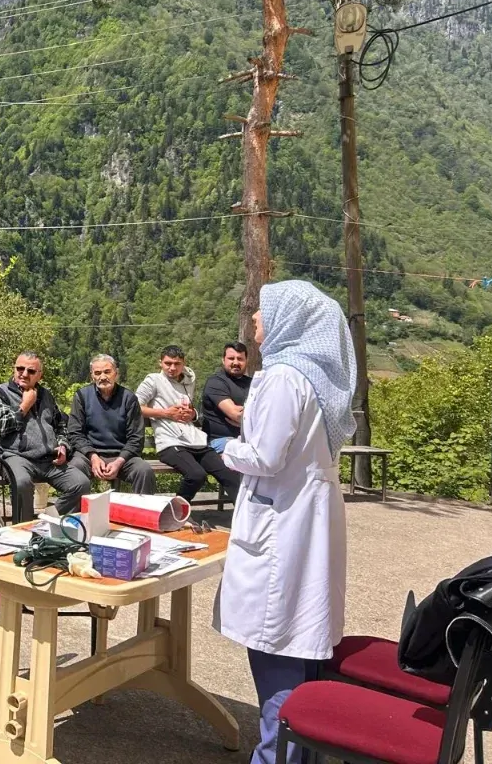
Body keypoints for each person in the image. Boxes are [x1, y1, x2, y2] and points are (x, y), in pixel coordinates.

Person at [212, 279, 357, 764]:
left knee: (275, 645)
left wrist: (221, 448)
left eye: (261, 312)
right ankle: (301, 753)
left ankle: (275, 756)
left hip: (282, 523)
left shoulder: (281, 377)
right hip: (309, 515)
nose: (254, 319)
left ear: (288, 322)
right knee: (303, 639)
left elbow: (265, 456)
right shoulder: (318, 380)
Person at [135, 345, 240, 504]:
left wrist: (193, 414)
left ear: (183, 363)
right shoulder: (153, 380)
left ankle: (243, 519)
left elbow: (191, 408)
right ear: (160, 363)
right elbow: (134, 407)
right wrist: (166, 413)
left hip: (196, 441)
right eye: (167, 363)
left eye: (177, 364)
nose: (172, 368)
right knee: (197, 475)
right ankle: (176, 511)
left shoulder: (189, 379)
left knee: (230, 476)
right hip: (170, 443)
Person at [0, 351, 89, 519]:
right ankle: (24, 530)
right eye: (20, 368)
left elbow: (60, 426)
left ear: (39, 375)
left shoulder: (46, 395)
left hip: (48, 460)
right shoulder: (1, 392)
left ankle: (49, 520)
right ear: (14, 369)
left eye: (31, 371)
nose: (24, 374)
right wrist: (24, 406)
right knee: (21, 483)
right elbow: (1, 426)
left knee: (81, 484)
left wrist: (63, 446)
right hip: (16, 457)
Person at [66, 354, 156, 498]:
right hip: (89, 456)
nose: (102, 377)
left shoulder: (129, 398)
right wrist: (93, 456)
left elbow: (136, 437)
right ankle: (76, 516)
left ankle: (142, 516)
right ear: (92, 376)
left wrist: (120, 461)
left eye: (107, 372)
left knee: (144, 470)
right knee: (73, 469)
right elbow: (75, 433)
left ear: (116, 373)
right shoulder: (82, 396)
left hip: (122, 456)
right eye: (98, 373)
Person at [201, 342, 253, 444]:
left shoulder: (253, 383)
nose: (236, 362)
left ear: (246, 361)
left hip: (247, 438)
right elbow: (236, 415)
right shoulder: (216, 382)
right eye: (231, 358)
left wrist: (245, 420)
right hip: (220, 441)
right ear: (223, 360)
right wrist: (255, 414)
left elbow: (269, 411)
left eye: (240, 359)